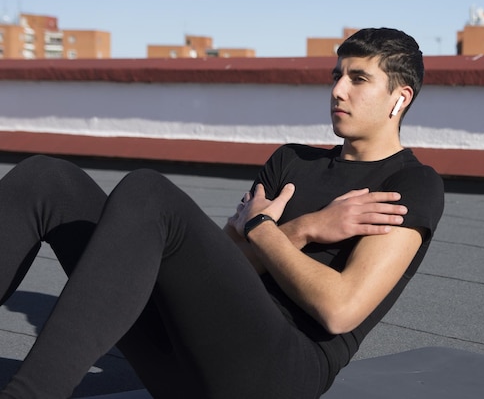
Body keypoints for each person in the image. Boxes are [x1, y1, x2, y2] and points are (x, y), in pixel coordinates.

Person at [0, 27, 444, 399]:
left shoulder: (410, 184)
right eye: (336, 75)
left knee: (147, 191)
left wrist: (263, 229)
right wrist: (306, 229)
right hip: (184, 357)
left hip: (279, 373)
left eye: (358, 79)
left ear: (399, 98)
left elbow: (339, 310)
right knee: (46, 178)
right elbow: (219, 266)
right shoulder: (290, 160)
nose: (337, 90)